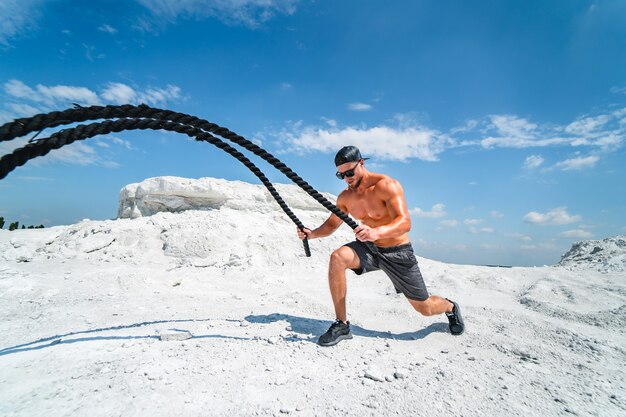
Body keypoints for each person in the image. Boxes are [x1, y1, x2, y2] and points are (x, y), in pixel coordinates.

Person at [297, 146, 464, 346]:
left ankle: (450, 307)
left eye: (350, 172)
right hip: (369, 249)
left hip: (397, 253)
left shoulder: (387, 185)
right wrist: (312, 234)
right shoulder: (345, 197)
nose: (346, 178)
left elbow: (405, 222)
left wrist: (377, 232)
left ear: (362, 163)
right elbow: (332, 224)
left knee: (424, 308)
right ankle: (341, 324)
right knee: (337, 257)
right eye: (341, 175)